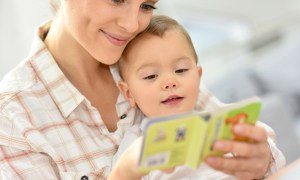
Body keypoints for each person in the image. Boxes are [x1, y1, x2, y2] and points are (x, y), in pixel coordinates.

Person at [0, 0, 285, 180]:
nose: (131, 24)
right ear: (127, 90)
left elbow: (237, 140)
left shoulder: (150, 59)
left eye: (146, 5)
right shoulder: (14, 119)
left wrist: (259, 162)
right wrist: (124, 175)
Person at [113, 15, 285, 179]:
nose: (170, 82)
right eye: (151, 76)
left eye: (181, 70)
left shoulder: (218, 122)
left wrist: (261, 148)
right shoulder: (133, 149)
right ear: (129, 93)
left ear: (198, 75)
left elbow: (273, 164)